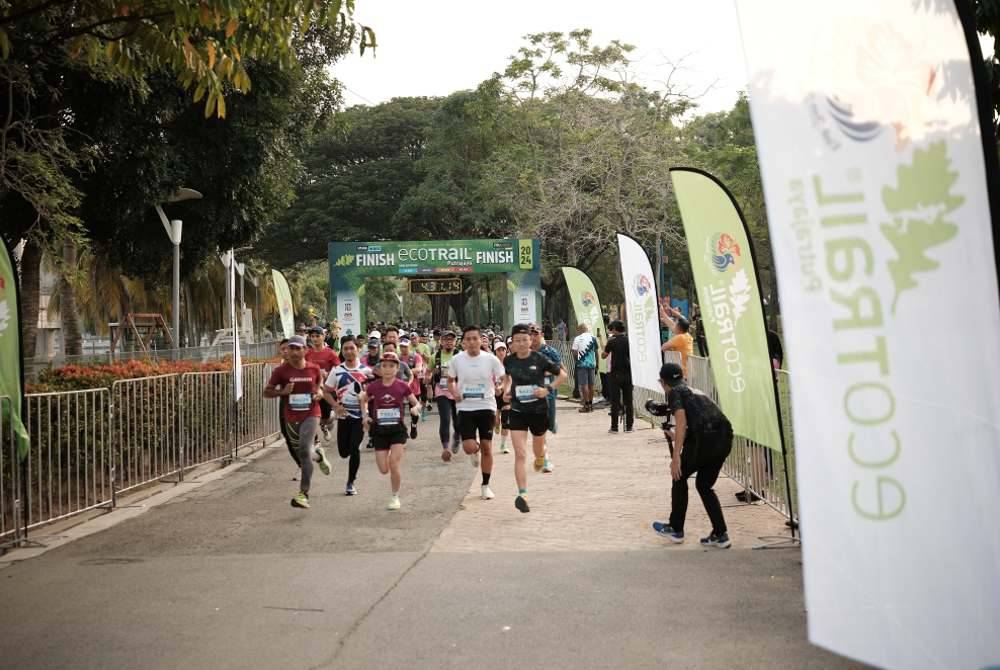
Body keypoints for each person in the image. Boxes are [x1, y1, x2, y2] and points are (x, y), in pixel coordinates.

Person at [649, 362, 734, 548]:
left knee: (678, 476)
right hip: (724, 438)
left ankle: (676, 528)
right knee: (704, 485)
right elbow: (704, 421)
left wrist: (676, 456)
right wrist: (680, 437)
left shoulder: (674, 392)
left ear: (663, 382)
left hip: (705, 441)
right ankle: (721, 534)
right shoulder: (695, 391)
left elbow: (680, 420)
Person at [502, 324, 566, 513]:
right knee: (520, 454)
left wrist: (547, 389)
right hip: (517, 411)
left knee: (538, 450)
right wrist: (506, 391)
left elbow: (563, 374)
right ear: (512, 343)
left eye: (524, 340)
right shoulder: (508, 361)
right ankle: (523, 494)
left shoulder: (540, 358)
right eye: (517, 341)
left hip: (538, 410)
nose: (521, 344)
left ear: (531, 341)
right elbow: (507, 379)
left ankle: (541, 457)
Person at [263, 335, 333, 509]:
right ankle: (319, 456)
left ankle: (303, 494)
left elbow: (320, 384)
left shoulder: (313, 368)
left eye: (297, 348)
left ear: (305, 350)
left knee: (303, 450)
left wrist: (319, 392)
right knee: (305, 451)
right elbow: (267, 392)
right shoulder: (281, 371)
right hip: (291, 416)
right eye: (291, 348)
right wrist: (283, 392)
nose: (294, 352)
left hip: (311, 413)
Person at [448, 325, 507, 500]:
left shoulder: (490, 359)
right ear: (463, 342)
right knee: (468, 447)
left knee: (488, 448)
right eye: (468, 339)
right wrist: (454, 392)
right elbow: (450, 381)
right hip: (465, 407)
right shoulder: (457, 360)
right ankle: (475, 450)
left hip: (486, 406)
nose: (472, 342)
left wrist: (501, 387)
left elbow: (504, 379)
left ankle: (485, 485)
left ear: (481, 340)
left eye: (475, 338)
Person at [359, 352, 421, 510]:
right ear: (379, 368)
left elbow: (416, 403)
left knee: (394, 464)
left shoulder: (402, 386)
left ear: (397, 368)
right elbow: (363, 399)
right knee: (383, 469)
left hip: (397, 430)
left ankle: (395, 497)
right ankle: (391, 464)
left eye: (391, 366)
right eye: (384, 366)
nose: (387, 369)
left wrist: (415, 409)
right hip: (379, 430)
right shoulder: (374, 386)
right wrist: (365, 415)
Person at [324, 336, 373, 496]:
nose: (349, 351)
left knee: (354, 448)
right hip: (343, 416)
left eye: (352, 348)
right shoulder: (337, 371)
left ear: (357, 349)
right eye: (345, 348)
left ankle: (351, 482)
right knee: (344, 452)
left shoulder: (366, 371)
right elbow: (326, 392)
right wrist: (335, 405)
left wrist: (366, 404)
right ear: (342, 351)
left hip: (359, 417)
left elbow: (373, 393)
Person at [427, 330, 461, 461]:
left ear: (455, 342)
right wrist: (428, 380)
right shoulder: (435, 357)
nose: (449, 342)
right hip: (442, 391)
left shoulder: (460, 356)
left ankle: (457, 435)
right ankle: (446, 448)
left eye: (451, 339)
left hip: (457, 391)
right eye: (446, 339)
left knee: (458, 420)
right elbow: (428, 372)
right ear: (441, 341)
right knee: (445, 419)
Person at [530, 323, 564, 448]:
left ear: (542, 335)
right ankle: (543, 455)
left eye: (536, 334)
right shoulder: (525, 352)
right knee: (539, 426)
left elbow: (559, 368)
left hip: (548, 390)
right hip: (532, 392)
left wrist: (545, 371)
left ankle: (552, 423)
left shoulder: (550, 351)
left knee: (549, 421)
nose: (533, 337)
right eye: (530, 334)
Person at [305, 326, 341, 440]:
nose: (315, 339)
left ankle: (325, 424)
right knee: (310, 415)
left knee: (326, 416)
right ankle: (314, 440)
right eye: (312, 336)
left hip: (327, 389)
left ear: (323, 336)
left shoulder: (330, 353)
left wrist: (328, 373)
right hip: (312, 389)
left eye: (317, 336)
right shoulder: (308, 353)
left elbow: (339, 369)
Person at [603, 319, 634, 433]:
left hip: (615, 374)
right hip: (628, 373)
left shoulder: (612, 341)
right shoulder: (629, 340)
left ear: (615, 329)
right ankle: (629, 426)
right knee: (628, 401)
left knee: (615, 401)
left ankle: (614, 427)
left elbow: (603, 355)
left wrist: (605, 347)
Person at [660, 306, 694, 379]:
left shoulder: (680, 337)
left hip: (681, 372)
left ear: (679, 328)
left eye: (676, 326)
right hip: (688, 371)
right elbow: (670, 323)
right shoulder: (687, 335)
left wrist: (669, 309)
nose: (674, 327)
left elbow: (663, 348)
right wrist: (662, 312)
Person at [571, 323, 599, 413]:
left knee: (584, 385)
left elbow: (574, 352)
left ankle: (586, 405)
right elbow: (596, 352)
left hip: (582, 365)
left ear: (580, 330)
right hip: (592, 364)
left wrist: (577, 361)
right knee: (591, 385)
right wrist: (597, 364)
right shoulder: (593, 338)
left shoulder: (577, 338)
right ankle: (591, 405)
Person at [493, 340, 512, 454]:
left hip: (505, 394)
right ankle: (496, 423)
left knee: (506, 420)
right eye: (499, 350)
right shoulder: (491, 364)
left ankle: (504, 444)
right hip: (494, 395)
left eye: (503, 349)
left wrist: (505, 388)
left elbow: (510, 379)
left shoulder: (509, 363)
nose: (501, 352)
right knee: (496, 420)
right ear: (495, 351)